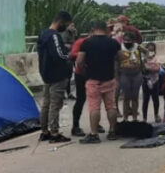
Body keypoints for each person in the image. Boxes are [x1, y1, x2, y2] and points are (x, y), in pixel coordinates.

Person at [77, 20, 122, 144]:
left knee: (94, 107)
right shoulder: (113, 43)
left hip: (93, 79)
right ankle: (112, 131)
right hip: (109, 78)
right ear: (106, 30)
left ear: (93, 29)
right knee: (111, 106)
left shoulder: (86, 43)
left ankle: (94, 134)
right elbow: (121, 57)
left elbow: (80, 61)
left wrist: (84, 71)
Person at [37, 11, 73, 143]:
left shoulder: (43, 34)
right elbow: (59, 55)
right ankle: (54, 133)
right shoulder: (55, 36)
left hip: (45, 72)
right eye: (66, 25)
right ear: (61, 22)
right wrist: (69, 55)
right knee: (55, 104)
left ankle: (44, 131)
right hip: (57, 74)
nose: (66, 28)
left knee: (46, 103)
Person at [117, 32, 146, 123]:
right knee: (126, 97)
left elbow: (149, 53)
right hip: (124, 74)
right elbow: (116, 63)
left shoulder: (138, 47)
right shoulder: (119, 48)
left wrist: (140, 48)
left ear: (133, 41)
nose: (127, 42)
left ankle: (134, 118)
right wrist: (116, 77)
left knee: (135, 97)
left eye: (129, 40)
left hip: (137, 74)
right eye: (125, 40)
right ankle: (125, 119)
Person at [142, 42, 162, 123]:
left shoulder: (156, 59)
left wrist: (149, 69)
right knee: (145, 99)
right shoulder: (143, 59)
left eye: (152, 50)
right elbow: (141, 69)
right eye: (149, 50)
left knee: (155, 99)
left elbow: (158, 69)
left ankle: (156, 115)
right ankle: (144, 118)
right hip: (145, 81)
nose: (150, 52)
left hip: (155, 81)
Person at [62, 23, 79, 100]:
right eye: (71, 26)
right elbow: (64, 44)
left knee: (69, 75)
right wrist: (73, 46)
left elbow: (77, 42)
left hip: (71, 56)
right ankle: (63, 93)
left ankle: (69, 93)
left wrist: (75, 34)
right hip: (66, 56)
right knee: (65, 76)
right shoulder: (65, 34)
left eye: (74, 26)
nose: (73, 27)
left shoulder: (72, 33)